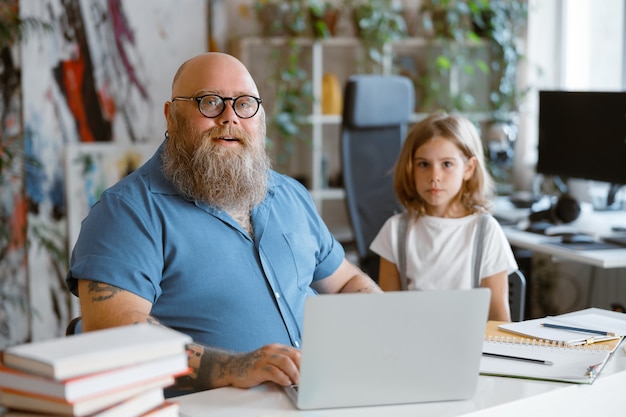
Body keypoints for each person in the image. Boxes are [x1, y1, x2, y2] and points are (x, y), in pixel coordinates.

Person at [65, 52, 382, 395]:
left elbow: (347, 281)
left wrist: (387, 328)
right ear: (171, 116)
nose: (229, 117)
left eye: (245, 104)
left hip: (323, 394)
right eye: (210, 102)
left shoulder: (290, 195)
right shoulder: (128, 212)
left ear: (259, 117)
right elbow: (117, 332)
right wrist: (233, 367)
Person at [370, 113, 516, 322]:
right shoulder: (395, 231)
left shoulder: (485, 231)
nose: (434, 176)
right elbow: (387, 314)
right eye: (423, 164)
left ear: (468, 168)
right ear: (411, 168)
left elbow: (498, 317)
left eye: (447, 164)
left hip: (470, 349)